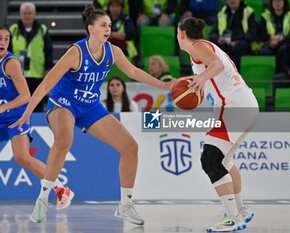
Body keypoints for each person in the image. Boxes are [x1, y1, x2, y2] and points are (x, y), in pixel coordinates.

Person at [10, 4, 173, 224]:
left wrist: (164, 86)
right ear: (91, 29)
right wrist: (28, 113)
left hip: (90, 106)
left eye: (110, 25)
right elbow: (46, 84)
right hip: (63, 103)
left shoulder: (113, 51)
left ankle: (125, 204)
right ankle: (43, 198)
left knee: (130, 147)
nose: (108, 29)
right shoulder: (76, 52)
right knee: (64, 141)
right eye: (103, 25)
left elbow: (134, 71)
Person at [177, 17, 258, 232]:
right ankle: (241, 211)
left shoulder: (197, 46)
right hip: (244, 104)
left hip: (233, 106)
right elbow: (213, 74)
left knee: (210, 159)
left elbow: (217, 65)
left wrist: (201, 78)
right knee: (225, 160)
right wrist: (195, 88)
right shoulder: (203, 49)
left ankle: (232, 218)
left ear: (181, 34)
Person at [0, 26, 74, 214]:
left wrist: (3, 107)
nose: (3, 42)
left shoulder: (10, 63)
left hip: (16, 116)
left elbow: (26, 96)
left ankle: (61, 189)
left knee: (22, 157)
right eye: (0, 38)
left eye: (6, 38)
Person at [9, 2, 54, 112]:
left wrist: (48, 69)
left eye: (30, 13)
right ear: (20, 14)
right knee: (19, 105)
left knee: (37, 105)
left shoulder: (42, 30)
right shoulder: (13, 30)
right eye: (25, 13)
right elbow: (8, 51)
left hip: (37, 74)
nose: (27, 16)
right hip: (19, 75)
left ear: (34, 14)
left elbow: (49, 51)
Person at [210, 0, 258, 71]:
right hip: (225, 42)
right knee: (216, 47)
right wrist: (219, 38)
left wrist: (236, 41)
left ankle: (236, 75)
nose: (232, 1)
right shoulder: (222, 13)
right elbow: (212, 34)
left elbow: (252, 33)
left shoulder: (249, 12)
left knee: (238, 47)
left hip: (243, 42)